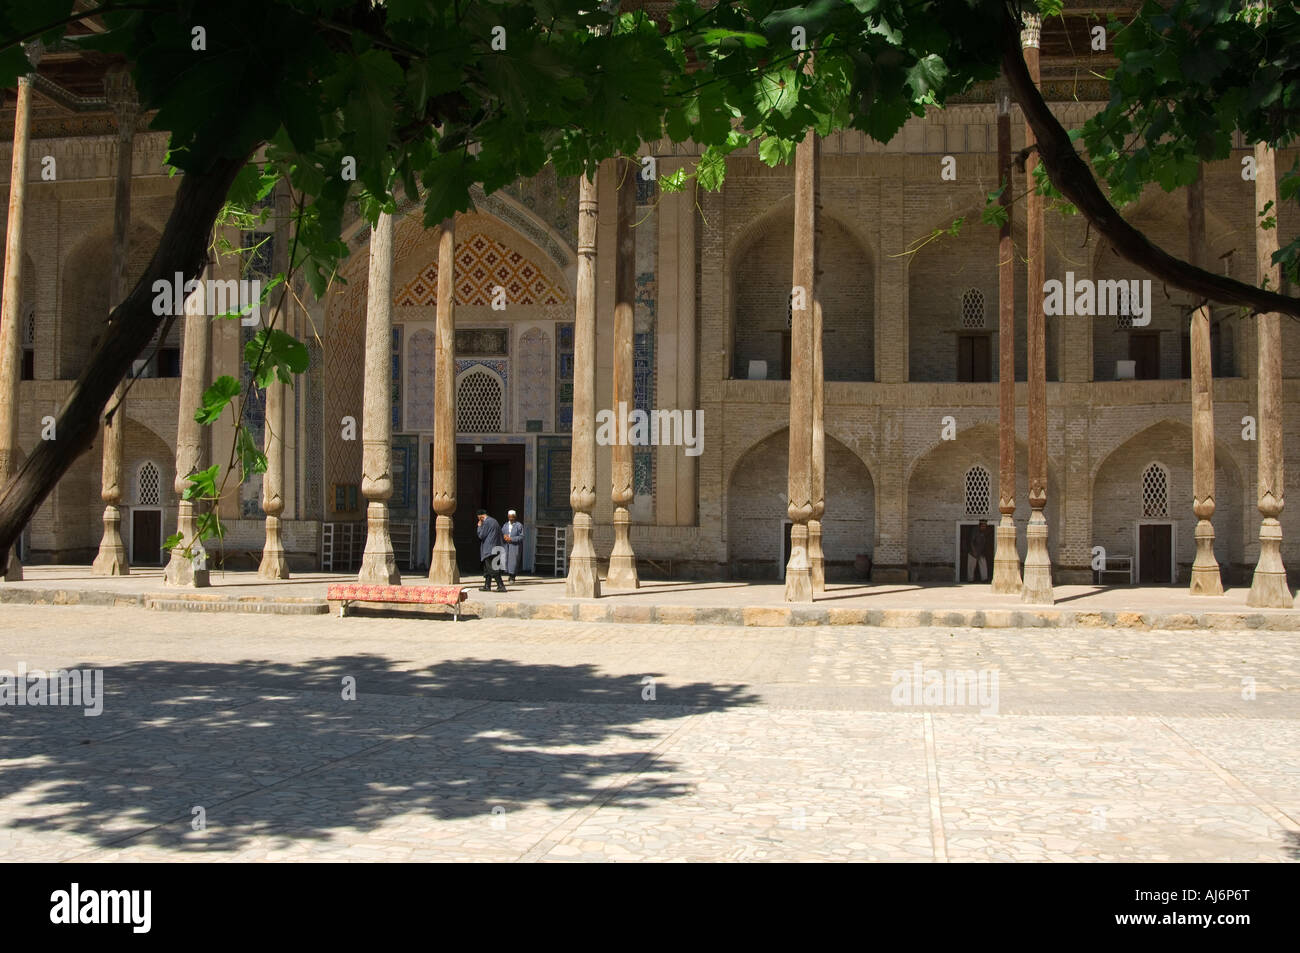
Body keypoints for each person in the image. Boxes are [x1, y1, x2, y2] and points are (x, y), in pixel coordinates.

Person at [476, 509, 506, 593]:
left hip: (489, 549)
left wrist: (479, 526)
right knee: (487, 568)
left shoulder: (486, 522)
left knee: (492, 568)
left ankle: (501, 586)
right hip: (495, 547)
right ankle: (487, 585)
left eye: (478, 518)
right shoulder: (494, 521)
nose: (479, 520)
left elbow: (481, 535)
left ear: (481, 516)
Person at [502, 509, 525, 584]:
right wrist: (504, 537)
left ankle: (512, 576)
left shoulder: (519, 525)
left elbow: (521, 537)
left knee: (514, 561)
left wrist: (511, 539)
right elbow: (501, 533)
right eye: (510, 517)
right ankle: (509, 574)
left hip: (515, 546)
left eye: (512, 517)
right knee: (507, 560)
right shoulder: (505, 525)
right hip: (506, 546)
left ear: (515, 517)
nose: (511, 519)